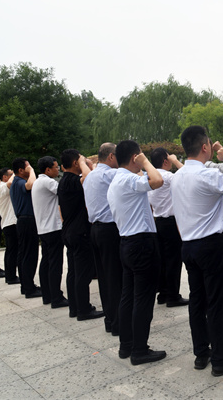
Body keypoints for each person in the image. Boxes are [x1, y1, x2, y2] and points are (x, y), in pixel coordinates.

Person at [170, 126, 223, 377]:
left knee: (197, 300)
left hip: (188, 245)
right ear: (204, 147)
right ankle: (221, 359)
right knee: (216, 302)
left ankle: (201, 353)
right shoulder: (207, 175)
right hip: (210, 246)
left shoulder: (178, 176)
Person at [107, 140, 166, 366]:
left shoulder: (117, 180)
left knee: (128, 296)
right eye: (139, 155)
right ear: (134, 157)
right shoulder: (129, 180)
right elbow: (157, 180)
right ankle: (140, 350)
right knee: (143, 298)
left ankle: (127, 345)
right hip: (141, 244)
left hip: (127, 242)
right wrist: (145, 161)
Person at [58, 149, 105, 321]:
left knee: (73, 272)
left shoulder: (63, 181)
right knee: (83, 274)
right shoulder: (73, 180)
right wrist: (87, 164)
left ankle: (75, 308)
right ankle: (84, 310)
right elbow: (90, 179)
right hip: (79, 232)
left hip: (69, 231)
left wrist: (84, 163)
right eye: (81, 160)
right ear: (75, 163)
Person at [83, 142, 122, 336]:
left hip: (95, 229)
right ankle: (118, 323)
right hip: (109, 229)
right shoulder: (110, 174)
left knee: (105, 278)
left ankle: (110, 320)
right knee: (115, 278)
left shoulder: (90, 176)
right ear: (111, 156)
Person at [148, 147, 188, 308]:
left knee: (163, 260)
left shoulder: (150, 177)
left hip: (158, 221)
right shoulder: (169, 176)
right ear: (165, 161)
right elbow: (189, 175)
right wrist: (176, 161)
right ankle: (173, 295)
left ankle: (163, 293)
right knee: (173, 260)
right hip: (171, 223)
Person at [31, 156, 68, 308]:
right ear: (47, 169)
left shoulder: (37, 182)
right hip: (52, 228)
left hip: (44, 228)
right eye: (55, 167)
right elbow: (65, 191)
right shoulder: (48, 182)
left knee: (46, 262)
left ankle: (47, 295)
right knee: (55, 264)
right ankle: (56, 297)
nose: (58, 170)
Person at [10, 158, 42, 298]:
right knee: (29, 255)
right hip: (27, 220)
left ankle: (26, 286)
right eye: (27, 167)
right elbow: (31, 184)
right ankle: (29, 288)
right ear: (21, 170)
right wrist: (32, 170)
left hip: (24, 221)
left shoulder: (15, 182)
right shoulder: (19, 182)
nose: (30, 169)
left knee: (24, 254)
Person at [0, 167, 19, 284]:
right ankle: (11, 277)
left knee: (12, 251)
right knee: (12, 251)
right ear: (5, 177)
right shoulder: (2, 187)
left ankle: (11, 275)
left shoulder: (4, 187)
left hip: (10, 223)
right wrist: (17, 171)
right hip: (10, 223)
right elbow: (10, 183)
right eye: (11, 174)